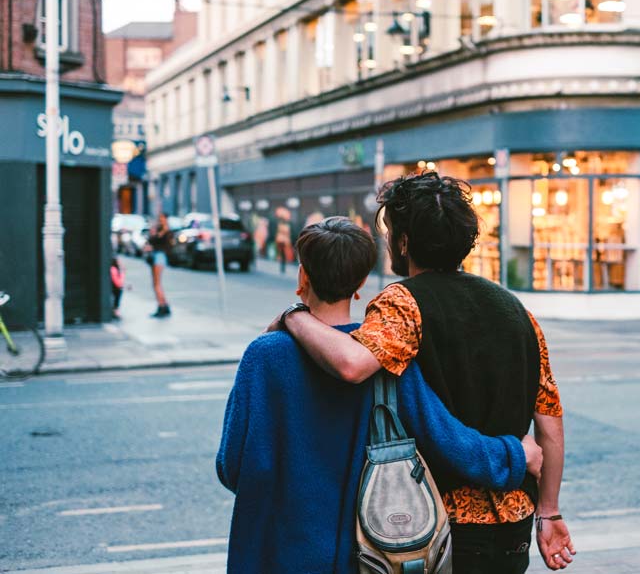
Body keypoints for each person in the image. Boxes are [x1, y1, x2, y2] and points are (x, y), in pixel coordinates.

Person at [272, 173, 576, 573]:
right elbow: (549, 427)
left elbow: (351, 364)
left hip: (433, 523)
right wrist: (550, 513)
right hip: (514, 522)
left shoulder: (403, 302)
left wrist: (293, 318)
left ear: (403, 241)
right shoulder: (516, 310)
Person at [218, 216, 541, 574]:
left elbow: (232, 467)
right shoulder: (382, 357)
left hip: (276, 554)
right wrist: (515, 454)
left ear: (302, 277)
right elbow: (448, 440)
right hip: (366, 555)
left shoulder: (264, 356)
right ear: (359, 286)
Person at [146, 213, 172, 318]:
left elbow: (165, 245)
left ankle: (161, 306)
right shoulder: (158, 229)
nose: (159, 220)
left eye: (161, 218)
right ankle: (164, 304)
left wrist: (155, 235)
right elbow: (150, 241)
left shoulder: (166, 231)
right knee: (156, 283)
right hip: (156, 256)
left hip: (159, 256)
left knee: (156, 283)